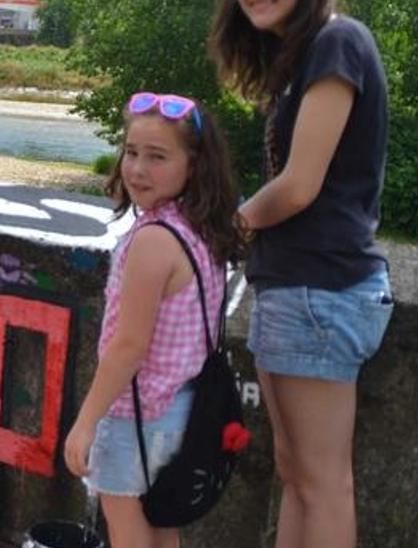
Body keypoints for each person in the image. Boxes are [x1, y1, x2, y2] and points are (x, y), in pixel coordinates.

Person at [210, 1, 393, 546]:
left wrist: (219, 231)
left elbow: (299, 185)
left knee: (322, 483)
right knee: (297, 475)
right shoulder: (308, 55)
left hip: (321, 289)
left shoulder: (339, 43)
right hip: (296, 287)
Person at [62, 93, 245, 546]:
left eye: (157, 156)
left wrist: (86, 421)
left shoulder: (152, 241)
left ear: (194, 164)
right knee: (164, 524)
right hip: (181, 406)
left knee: (126, 528)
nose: (138, 169)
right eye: (131, 152)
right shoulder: (200, 227)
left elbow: (129, 347)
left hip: (135, 412)